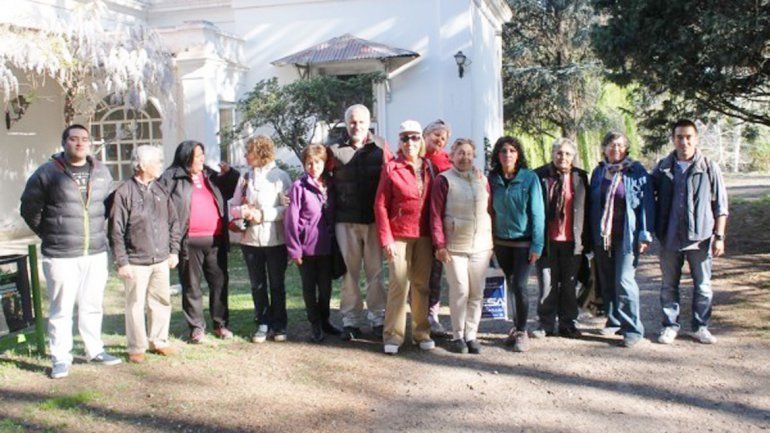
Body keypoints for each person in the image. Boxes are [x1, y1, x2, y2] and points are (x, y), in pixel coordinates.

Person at [20, 124, 121, 379]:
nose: (80, 143)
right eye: (74, 139)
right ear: (64, 142)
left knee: (92, 304)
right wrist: (50, 233)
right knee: (62, 308)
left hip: (95, 251)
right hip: (61, 254)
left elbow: (108, 207)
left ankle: (94, 349)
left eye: (84, 139)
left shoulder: (101, 172)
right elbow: (29, 209)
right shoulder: (46, 173)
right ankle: (61, 358)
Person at [651, 119, 728, 345]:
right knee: (668, 285)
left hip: (701, 238)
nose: (684, 142)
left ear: (695, 139)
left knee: (703, 285)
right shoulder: (663, 168)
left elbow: (721, 206)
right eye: (679, 137)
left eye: (688, 137)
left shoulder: (708, 167)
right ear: (673, 139)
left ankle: (700, 326)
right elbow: (647, 197)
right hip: (669, 237)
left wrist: (719, 236)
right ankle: (670, 326)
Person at [108, 145, 180, 363]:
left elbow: (173, 222)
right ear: (142, 165)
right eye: (157, 161)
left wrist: (174, 251)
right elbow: (116, 230)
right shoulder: (124, 192)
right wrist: (122, 262)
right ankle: (136, 347)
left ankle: (159, 341)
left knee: (160, 301)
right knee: (135, 304)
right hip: (135, 261)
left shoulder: (161, 189)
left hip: (160, 258)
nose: (160, 165)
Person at [327, 104, 392, 341]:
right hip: (346, 221)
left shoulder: (382, 146)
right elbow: (322, 181)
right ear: (346, 123)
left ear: (369, 123)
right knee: (350, 273)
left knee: (375, 272)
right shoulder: (333, 150)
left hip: (374, 221)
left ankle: (378, 318)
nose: (357, 126)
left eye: (361, 122)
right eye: (352, 122)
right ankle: (350, 321)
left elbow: (392, 178)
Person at [159, 140, 232, 344]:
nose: (202, 159)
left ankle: (221, 324)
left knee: (219, 284)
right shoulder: (170, 177)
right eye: (198, 155)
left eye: (202, 154)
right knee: (191, 286)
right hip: (188, 241)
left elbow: (232, 188)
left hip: (215, 240)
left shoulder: (210, 176)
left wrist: (230, 173)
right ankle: (196, 328)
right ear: (186, 156)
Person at [375, 120, 437, 355]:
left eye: (414, 137)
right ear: (399, 142)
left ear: (420, 139)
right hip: (398, 234)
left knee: (421, 285)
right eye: (404, 138)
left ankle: (422, 332)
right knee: (399, 285)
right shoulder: (392, 168)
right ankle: (393, 335)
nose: (409, 142)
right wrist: (386, 239)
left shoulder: (430, 167)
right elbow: (380, 205)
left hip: (424, 235)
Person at [588, 131, 654, 348]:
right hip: (603, 237)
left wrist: (644, 234)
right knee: (606, 280)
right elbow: (592, 204)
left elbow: (645, 204)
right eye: (610, 145)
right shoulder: (598, 172)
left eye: (619, 145)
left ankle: (633, 328)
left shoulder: (636, 171)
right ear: (604, 148)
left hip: (627, 236)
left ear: (626, 148)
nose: (615, 149)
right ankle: (614, 319)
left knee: (624, 281)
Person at [430, 138, 493, 354]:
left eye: (468, 153)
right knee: (460, 290)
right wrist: (440, 244)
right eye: (460, 153)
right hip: (454, 247)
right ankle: (458, 335)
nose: (464, 157)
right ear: (452, 155)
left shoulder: (481, 179)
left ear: (474, 156)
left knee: (477, 292)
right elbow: (435, 214)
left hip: (481, 246)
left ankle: (471, 335)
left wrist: (490, 242)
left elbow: (489, 210)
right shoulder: (443, 180)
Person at [229, 136, 292, 343]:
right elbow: (234, 207)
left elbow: (288, 209)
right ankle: (262, 322)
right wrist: (243, 211)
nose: (245, 156)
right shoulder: (245, 177)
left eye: (249, 152)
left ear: (260, 153)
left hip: (275, 241)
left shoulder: (280, 176)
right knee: (257, 284)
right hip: (250, 241)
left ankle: (279, 323)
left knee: (276, 284)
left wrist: (263, 214)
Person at [488, 136, 545, 353]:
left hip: (523, 243)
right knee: (511, 285)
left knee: (520, 285)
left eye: (512, 150)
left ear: (518, 154)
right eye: (503, 151)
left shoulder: (529, 178)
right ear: (498, 155)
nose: (508, 155)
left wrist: (537, 245)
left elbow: (537, 213)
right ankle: (515, 326)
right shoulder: (492, 179)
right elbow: (489, 211)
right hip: (501, 242)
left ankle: (522, 331)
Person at [284, 143, 342, 342]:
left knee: (325, 288)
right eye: (309, 163)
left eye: (317, 162)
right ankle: (314, 324)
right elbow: (291, 219)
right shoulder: (299, 187)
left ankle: (325, 320)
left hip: (327, 247)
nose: (313, 167)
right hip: (306, 249)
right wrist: (295, 250)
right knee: (310, 288)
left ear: (324, 163)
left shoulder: (330, 185)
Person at [533, 138, 589, 339]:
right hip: (547, 241)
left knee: (569, 285)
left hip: (573, 241)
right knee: (547, 284)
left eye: (567, 153)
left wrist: (587, 242)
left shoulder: (580, 177)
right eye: (558, 153)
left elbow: (587, 209)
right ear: (552, 154)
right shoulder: (539, 176)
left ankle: (568, 323)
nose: (562, 157)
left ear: (572, 156)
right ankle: (545, 323)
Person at [422, 119, 453, 337]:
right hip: (415, 225)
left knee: (435, 272)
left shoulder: (448, 162)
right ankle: (416, 314)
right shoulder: (414, 156)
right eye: (436, 135)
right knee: (416, 273)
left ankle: (432, 315)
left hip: (439, 225)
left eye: (443, 138)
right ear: (425, 134)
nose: (439, 140)